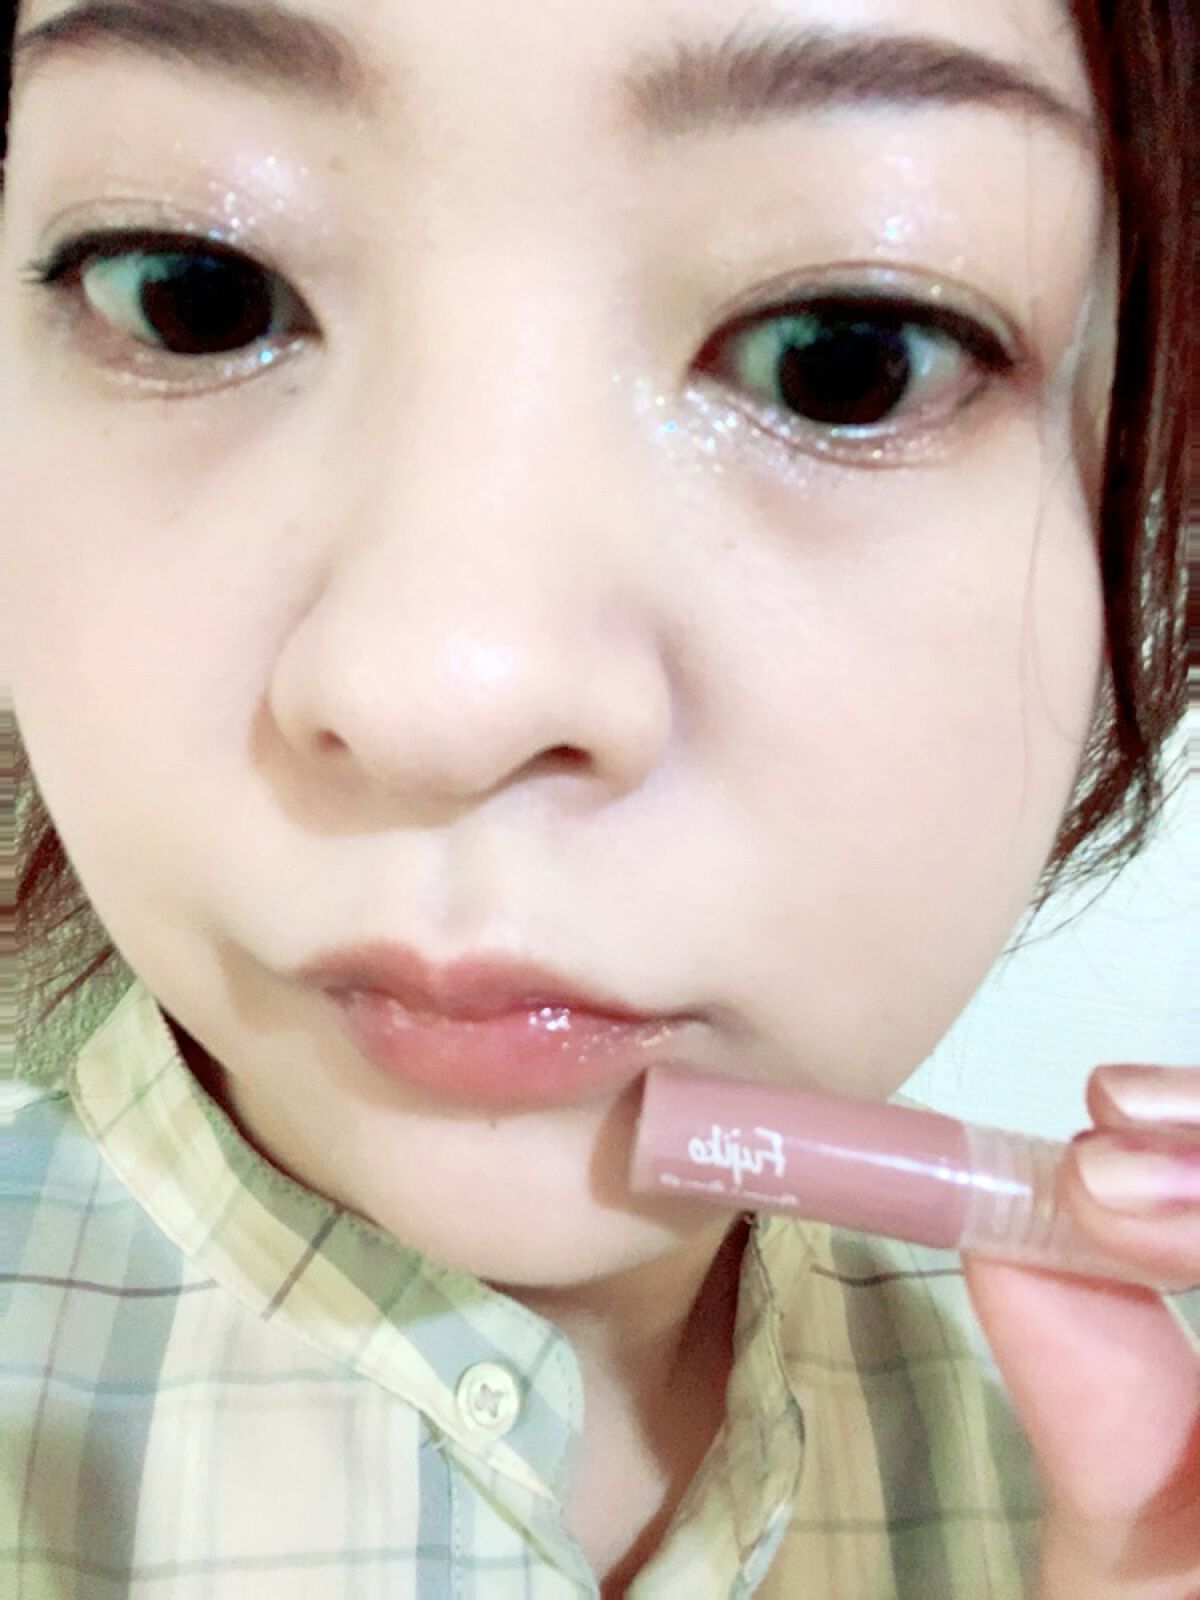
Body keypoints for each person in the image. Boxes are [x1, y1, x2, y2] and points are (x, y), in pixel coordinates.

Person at [3, 0, 1196, 1594]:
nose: (450, 695)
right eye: (194, 296)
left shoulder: (1121, 1462)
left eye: (844, 358)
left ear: (1144, 489)